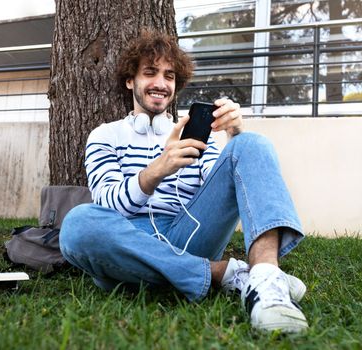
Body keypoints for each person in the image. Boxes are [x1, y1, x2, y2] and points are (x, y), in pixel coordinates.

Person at [59, 30, 308, 333]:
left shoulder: (196, 136)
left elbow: (226, 187)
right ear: (130, 80)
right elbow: (108, 203)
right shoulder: (104, 136)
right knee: (78, 224)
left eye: (169, 76)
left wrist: (235, 136)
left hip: (191, 233)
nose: (161, 84)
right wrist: (157, 170)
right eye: (150, 72)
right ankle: (225, 274)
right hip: (128, 240)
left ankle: (267, 281)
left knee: (252, 143)